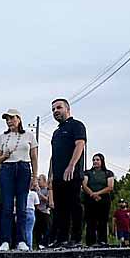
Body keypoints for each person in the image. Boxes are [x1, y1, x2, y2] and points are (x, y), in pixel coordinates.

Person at [0, 109, 38, 251]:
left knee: (22, 207)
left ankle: (21, 240)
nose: (9, 121)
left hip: (24, 168)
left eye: (11, 118)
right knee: (7, 207)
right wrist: (5, 156)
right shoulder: (2, 137)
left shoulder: (29, 135)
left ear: (18, 119)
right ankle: (5, 240)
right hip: (7, 169)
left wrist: (35, 177)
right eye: (7, 119)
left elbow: (34, 157)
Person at [49, 99, 87, 248]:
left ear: (67, 109)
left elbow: (80, 144)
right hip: (58, 176)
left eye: (59, 107)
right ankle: (61, 238)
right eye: (53, 109)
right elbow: (54, 155)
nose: (55, 111)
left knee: (74, 205)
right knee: (60, 209)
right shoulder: (56, 132)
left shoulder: (76, 125)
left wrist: (71, 165)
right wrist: (51, 174)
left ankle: (76, 238)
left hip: (72, 174)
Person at [82, 153, 115, 247]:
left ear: (102, 161)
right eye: (94, 160)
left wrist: (98, 193)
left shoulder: (108, 173)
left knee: (102, 221)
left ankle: (102, 241)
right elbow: (84, 185)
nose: (95, 162)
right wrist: (92, 194)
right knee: (90, 221)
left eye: (97, 160)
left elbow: (110, 187)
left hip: (103, 199)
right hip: (90, 199)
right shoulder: (87, 172)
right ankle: (90, 242)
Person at [33, 175, 53, 249]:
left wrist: (39, 193)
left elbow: (47, 199)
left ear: (44, 181)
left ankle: (46, 244)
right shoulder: (36, 190)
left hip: (45, 212)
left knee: (46, 229)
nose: (38, 181)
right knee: (38, 230)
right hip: (38, 212)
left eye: (39, 180)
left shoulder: (47, 190)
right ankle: (38, 245)